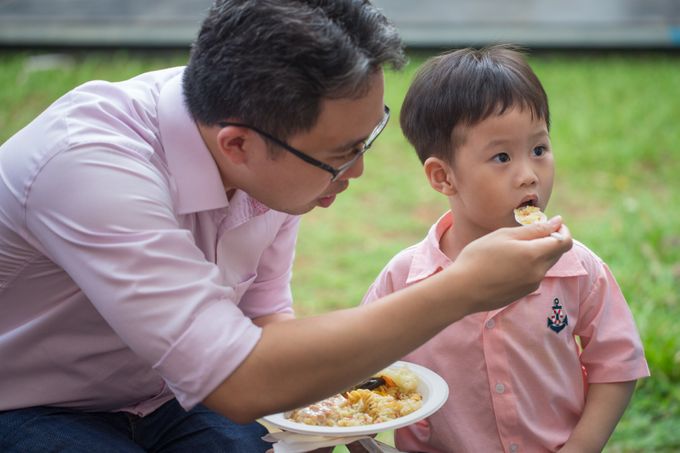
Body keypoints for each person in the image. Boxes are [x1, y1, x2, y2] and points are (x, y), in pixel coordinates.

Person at [0, 1, 572, 450]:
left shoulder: (267, 142)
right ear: (239, 144)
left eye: (368, 137)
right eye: (341, 154)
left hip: (169, 397)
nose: (358, 170)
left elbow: (265, 319)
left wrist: (317, 416)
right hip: (29, 403)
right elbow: (241, 380)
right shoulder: (89, 167)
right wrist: (462, 288)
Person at [359, 45, 650, 453]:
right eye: (501, 157)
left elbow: (617, 364)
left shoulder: (577, 267)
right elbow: (358, 370)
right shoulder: (405, 278)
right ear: (444, 177)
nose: (529, 176)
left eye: (539, 150)